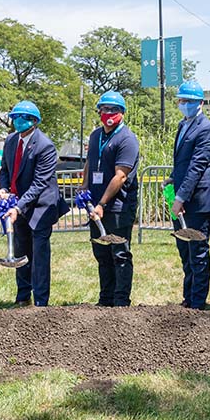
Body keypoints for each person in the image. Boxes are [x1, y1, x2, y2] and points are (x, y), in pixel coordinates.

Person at [0, 100, 68, 307]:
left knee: (39, 255)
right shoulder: (10, 141)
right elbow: (5, 170)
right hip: (17, 205)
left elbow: (39, 183)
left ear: (34, 121)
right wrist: (4, 190)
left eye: (24, 118)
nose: (19, 121)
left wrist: (18, 207)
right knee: (21, 251)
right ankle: (22, 297)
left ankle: (41, 301)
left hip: (41, 207)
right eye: (15, 117)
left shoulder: (45, 146)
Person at [164, 81, 210, 310]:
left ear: (200, 103)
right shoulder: (183, 125)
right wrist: (172, 178)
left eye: (189, 101)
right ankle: (188, 298)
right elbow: (183, 162)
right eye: (182, 100)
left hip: (198, 201)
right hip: (183, 196)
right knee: (185, 252)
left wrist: (180, 198)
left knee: (197, 252)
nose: (184, 104)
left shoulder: (207, 129)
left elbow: (197, 167)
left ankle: (198, 302)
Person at [80, 91, 139, 307]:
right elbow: (89, 162)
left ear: (122, 113)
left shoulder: (127, 139)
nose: (109, 113)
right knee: (101, 253)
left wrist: (102, 203)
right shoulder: (96, 136)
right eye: (105, 109)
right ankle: (105, 299)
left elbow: (121, 175)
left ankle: (121, 301)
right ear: (99, 112)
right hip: (96, 206)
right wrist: (84, 186)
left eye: (114, 109)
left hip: (117, 207)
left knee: (119, 254)